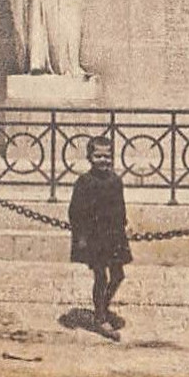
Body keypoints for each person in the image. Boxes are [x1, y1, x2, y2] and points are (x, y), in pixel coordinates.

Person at [67, 135, 131, 340]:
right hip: (94, 238)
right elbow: (75, 212)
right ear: (89, 157)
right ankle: (100, 316)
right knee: (100, 277)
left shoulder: (115, 181)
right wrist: (81, 237)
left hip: (114, 237)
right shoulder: (84, 182)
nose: (103, 160)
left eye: (107, 156)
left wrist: (125, 226)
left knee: (118, 275)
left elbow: (120, 207)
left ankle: (103, 306)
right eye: (98, 156)